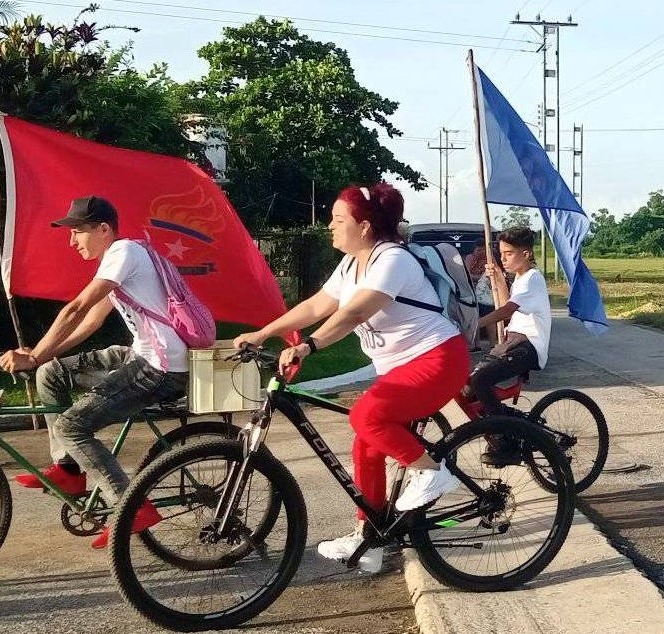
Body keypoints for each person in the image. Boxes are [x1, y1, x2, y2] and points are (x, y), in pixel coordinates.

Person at [232, 183, 470, 574]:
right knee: (365, 445)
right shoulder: (351, 264)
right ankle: (371, 539)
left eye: (337, 219)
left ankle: (432, 471)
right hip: (400, 368)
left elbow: (354, 313)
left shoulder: (392, 260)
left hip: (438, 360)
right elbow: (316, 306)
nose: (329, 226)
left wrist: (309, 346)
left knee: (365, 416)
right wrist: (262, 334)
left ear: (364, 226)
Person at [0, 196, 180, 549]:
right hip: (140, 354)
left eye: (77, 231)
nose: (72, 240)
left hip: (161, 366)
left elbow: (76, 309)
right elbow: (91, 321)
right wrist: (41, 356)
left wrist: (32, 355)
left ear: (103, 229)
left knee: (71, 425)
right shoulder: (123, 257)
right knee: (51, 374)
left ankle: (131, 509)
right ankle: (68, 471)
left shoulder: (123, 254)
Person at [467, 227, 551, 467]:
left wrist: (474, 325)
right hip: (512, 344)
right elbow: (507, 303)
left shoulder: (533, 279)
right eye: (501, 253)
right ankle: (510, 425)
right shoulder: (521, 280)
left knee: (480, 380)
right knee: (469, 388)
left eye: (509, 253)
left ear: (526, 254)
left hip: (528, 346)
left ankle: (504, 440)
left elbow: (506, 310)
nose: (504, 258)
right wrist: (499, 278)